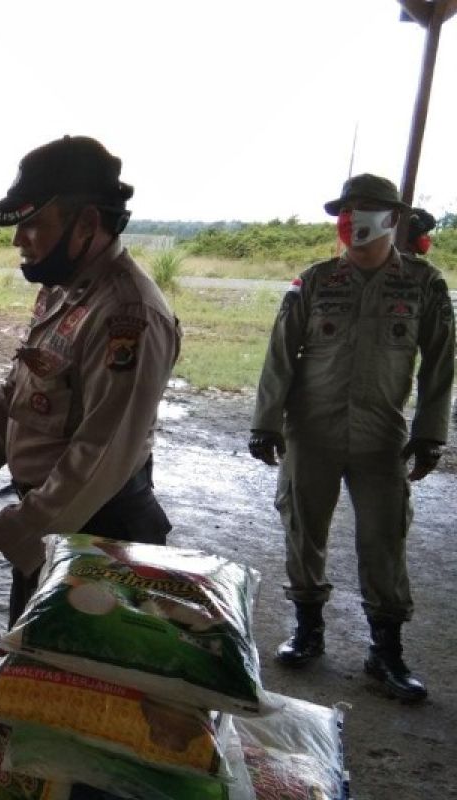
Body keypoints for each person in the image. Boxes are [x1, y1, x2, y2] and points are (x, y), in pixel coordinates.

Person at [0, 136, 181, 628]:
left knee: (78, 685)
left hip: (98, 537)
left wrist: (1, 534)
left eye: (32, 224)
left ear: (88, 224)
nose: (19, 240)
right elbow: (15, 397)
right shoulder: (64, 292)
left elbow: (98, 457)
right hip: (53, 524)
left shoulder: (128, 313)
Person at [249, 173, 453, 702]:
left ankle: (385, 651)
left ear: (392, 218)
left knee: (385, 538)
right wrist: (265, 421)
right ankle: (308, 630)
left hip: (382, 435)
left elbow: (440, 368)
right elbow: (280, 355)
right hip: (310, 430)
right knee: (302, 526)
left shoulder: (425, 285)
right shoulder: (314, 281)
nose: (350, 218)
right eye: (344, 208)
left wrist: (431, 434)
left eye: (362, 208)